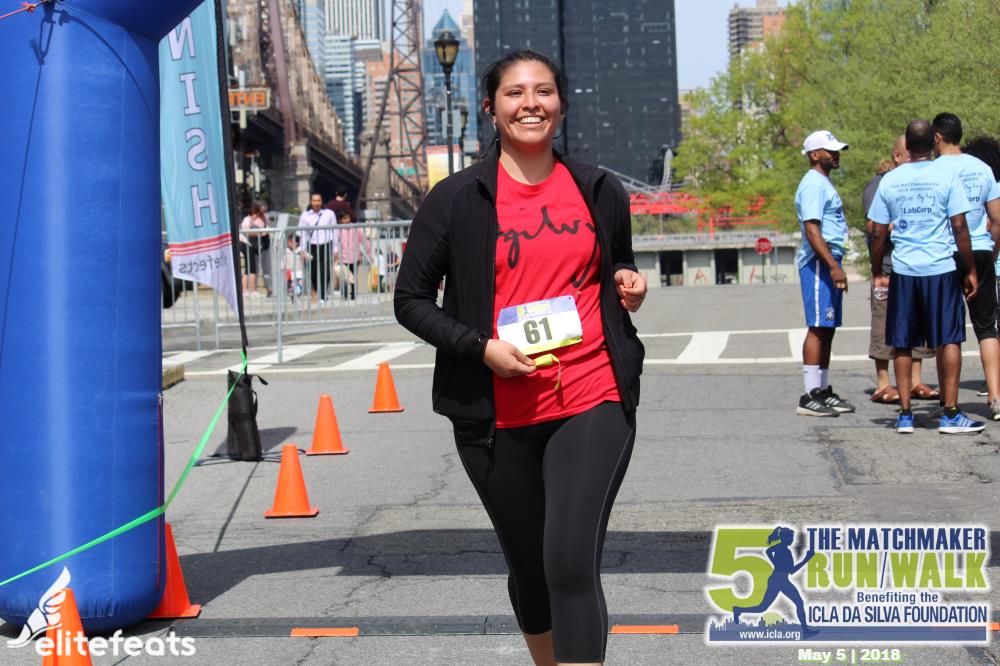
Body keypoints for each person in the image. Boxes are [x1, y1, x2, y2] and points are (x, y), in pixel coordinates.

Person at [395, 48, 646, 666]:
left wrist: (628, 281)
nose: (530, 104)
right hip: (493, 412)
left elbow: (616, 260)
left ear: (561, 105)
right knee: (530, 568)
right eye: (514, 93)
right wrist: (480, 348)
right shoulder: (456, 198)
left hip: (590, 391)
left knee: (569, 561)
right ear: (490, 107)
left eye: (543, 91)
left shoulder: (599, 189)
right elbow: (411, 300)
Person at [869, 119, 983, 434]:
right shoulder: (946, 176)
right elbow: (959, 226)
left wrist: (877, 271)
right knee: (949, 338)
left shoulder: (890, 180)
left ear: (907, 145)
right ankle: (950, 413)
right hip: (940, 268)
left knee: (902, 342)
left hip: (904, 269)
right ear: (933, 142)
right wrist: (970, 269)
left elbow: (878, 232)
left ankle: (905, 414)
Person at [932, 114, 1000, 419]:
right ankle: (996, 398)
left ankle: (947, 402)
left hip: (946, 254)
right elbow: (997, 220)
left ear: (937, 137)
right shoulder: (982, 168)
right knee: (987, 328)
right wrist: (991, 252)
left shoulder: (933, 170)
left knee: (947, 331)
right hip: (982, 250)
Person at [865, 137, 939, 404]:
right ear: (897, 156)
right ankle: (883, 384)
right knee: (884, 322)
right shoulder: (881, 183)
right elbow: (874, 227)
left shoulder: (922, 181)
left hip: (917, 266)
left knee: (918, 322)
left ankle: (916, 381)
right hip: (887, 266)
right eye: (910, 153)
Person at [794, 130, 855, 417]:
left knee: (827, 327)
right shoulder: (812, 185)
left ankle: (822, 389)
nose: (836, 155)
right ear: (814, 154)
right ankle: (809, 395)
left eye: (837, 150)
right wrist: (832, 265)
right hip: (819, 262)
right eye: (830, 151)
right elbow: (812, 229)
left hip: (829, 260)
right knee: (818, 326)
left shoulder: (822, 182)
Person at [732, 527, 816, 637]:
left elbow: (768, 551)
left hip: (779, 580)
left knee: (763, 607)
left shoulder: (781, 548)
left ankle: (738, 610)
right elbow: (792, 571)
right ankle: (805, 631)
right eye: (791, 537)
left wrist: (775, 562)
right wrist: (807, 559)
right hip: (779, 581)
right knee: (795, 603)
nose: (792, 540)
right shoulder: (785, 552)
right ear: (785, 538)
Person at [299, 193, 338, 302]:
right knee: (312, 270)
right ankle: (316, 291)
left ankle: (323, 294)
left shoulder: (329, 214)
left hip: (326, 244)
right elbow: (303, 233)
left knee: (325, 270)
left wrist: (335, 248)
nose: (316, 203)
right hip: (311, 245)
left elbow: (335, 231)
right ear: (311, 202)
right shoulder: (305, 216)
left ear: (321, 201)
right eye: (314, 201)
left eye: (318, 200)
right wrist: (302, 249)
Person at [335, 210, 370, 301]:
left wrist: (366, 253)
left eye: (347, 218)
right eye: (344, 219)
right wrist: (336, 255)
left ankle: (354, 294)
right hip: (343, 258)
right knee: (344, 277)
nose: (346, 220)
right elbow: (335, 244)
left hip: (355, 257)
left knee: (353, 276)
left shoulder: (355, 229)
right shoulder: (338, 230)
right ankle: (344, 294)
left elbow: (364, 241)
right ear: (340, 220)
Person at [239, 202, 268, 298]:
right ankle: (249, 290)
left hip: (250, 245)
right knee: (251, 269)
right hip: (246, 244)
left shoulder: (253, 220)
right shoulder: (247, 220)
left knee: (250, 269)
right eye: (257, 213)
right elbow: (248, 232)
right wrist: (260, 233)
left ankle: (249, 290)